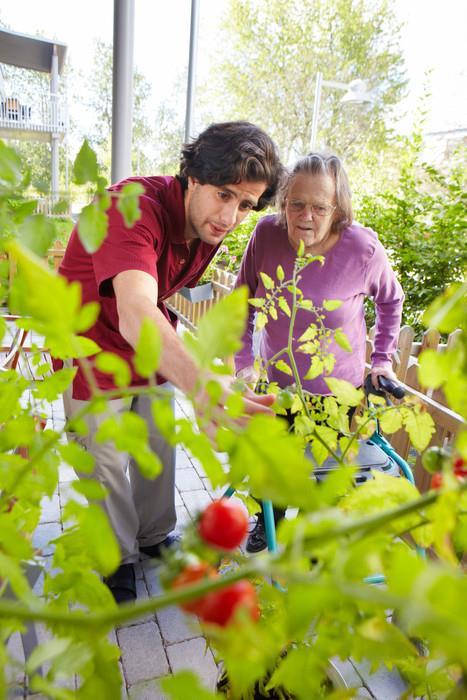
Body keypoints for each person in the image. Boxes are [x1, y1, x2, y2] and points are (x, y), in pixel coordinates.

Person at [57, 121, 284, 601]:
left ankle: (153, 535)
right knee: (104, 458)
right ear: (193, 177)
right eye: (224, 195)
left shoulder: (207, 226)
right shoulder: (130, 208)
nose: (231, 217)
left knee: (159, 440)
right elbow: (135, 310)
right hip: (90, 345)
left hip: (149, 343)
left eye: (246, 204)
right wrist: (204, 388)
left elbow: (157, 305)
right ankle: (115, 557)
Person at [234, 152, 404, 552]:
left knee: (323, 479)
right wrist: (243, 365)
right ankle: (268, 521)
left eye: (319, 206)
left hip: (337, 394)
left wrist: (381, 360)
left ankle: (307, 542)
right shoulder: (266, 235)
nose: (305, 216)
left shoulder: (362, 248)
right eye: (296, 203)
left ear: (338, 207)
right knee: (271, 470)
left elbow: (391, 302)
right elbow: (240, 304)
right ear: (283, 202)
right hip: (276, 386)